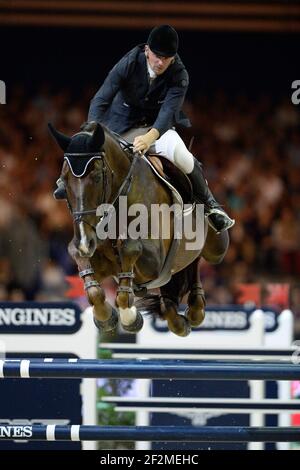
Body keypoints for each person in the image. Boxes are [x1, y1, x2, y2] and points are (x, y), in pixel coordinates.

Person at [54, 25, 234, 233]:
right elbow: (101, 98)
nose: (160, 62)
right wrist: (93, 129)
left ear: (173, 58)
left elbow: (168, 113)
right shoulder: (130, 61)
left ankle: (210, 205)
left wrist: (150, 138)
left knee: (183, 156)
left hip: (157, 128)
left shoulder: (179, 74)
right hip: (121, 125)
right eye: (156, 55)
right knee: (90, 146)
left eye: (166, 58)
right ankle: (63, 180)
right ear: (147, 50)